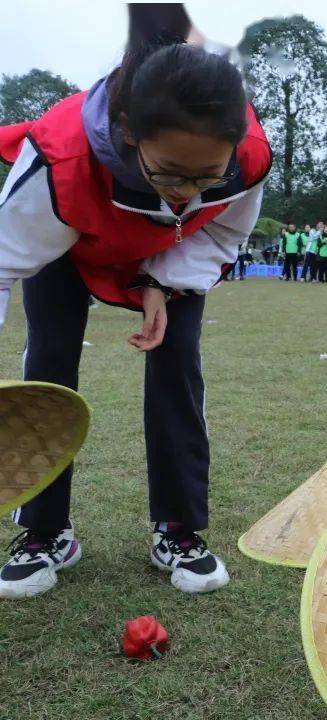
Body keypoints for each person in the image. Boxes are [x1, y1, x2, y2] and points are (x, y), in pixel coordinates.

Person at [0, 5, 271, 599]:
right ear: (127, 131)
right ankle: (44, 533)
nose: (186, 192)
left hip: (175, 253)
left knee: (178, 362)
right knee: (48, 361)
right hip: (67, 244)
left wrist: (161, 282)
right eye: (170, 172)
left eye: (207, 177)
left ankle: (179, 529)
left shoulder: (247, 159)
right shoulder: (60, 160)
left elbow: (223, 232)